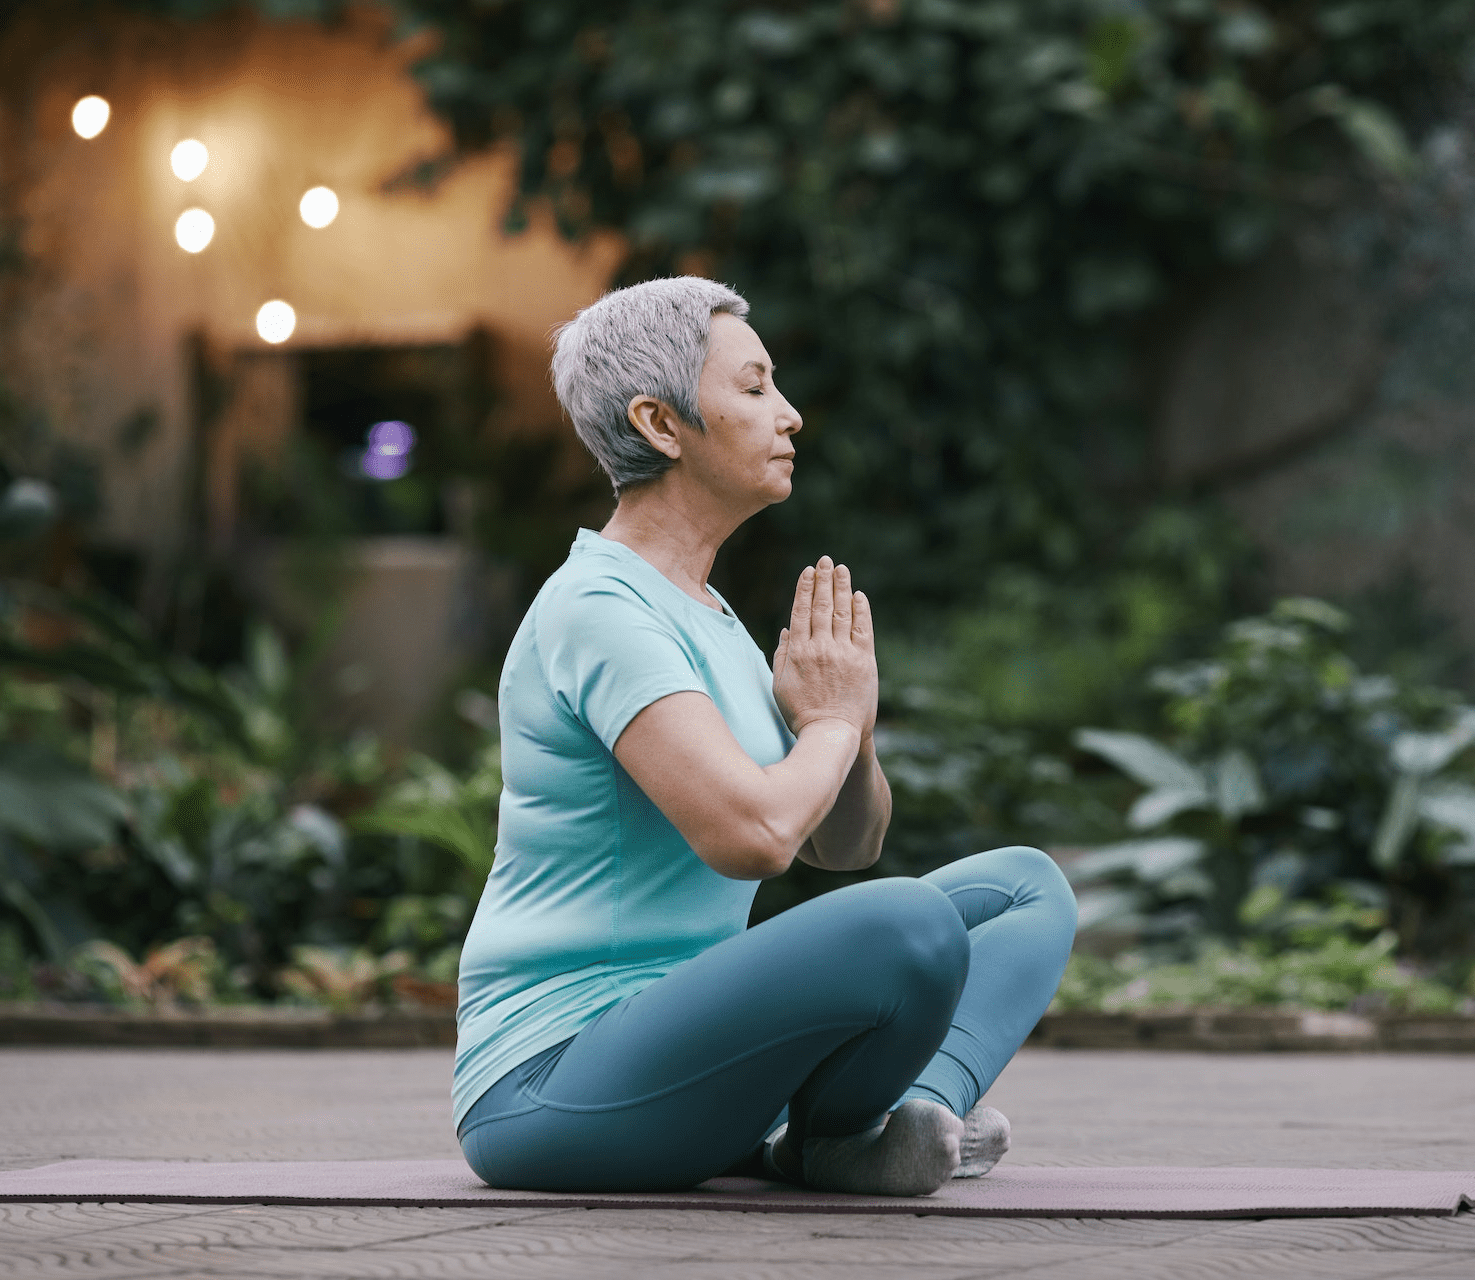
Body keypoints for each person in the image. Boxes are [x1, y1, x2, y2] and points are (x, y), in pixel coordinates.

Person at [452, 276, 1077, 1196]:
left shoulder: (706, 613)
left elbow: (843, 843)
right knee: (908, 922)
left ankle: (886, 1127)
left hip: (690, 1063)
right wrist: (824, 721)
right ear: (661, 425)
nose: (788, 416)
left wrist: (850, 724)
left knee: (1026, 887)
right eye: (753, 388)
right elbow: (752, 838)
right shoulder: (598, 607)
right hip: (553, 1081)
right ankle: (830, 1137)